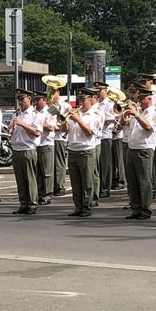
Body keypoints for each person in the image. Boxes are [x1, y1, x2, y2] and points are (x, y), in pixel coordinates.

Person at [121, 82, 156, 220]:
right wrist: (125, 113)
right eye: (138, 100)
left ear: (149, 99)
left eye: (141, 100)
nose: (139, 103)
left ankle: (145, 209)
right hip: (132, 148)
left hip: (144, 149)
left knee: (144, 181)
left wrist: (136, 114)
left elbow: (148, 127)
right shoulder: (138, 111)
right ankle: (136, 208)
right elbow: (123, 124)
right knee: (132, 181)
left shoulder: (155, 113)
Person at [64, 87, 102, 217]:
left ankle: (86, 207)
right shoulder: (76, 112)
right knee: (75, 181)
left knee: (87, 181)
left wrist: (78, 120)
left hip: (86, 150)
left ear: (91, 99)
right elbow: (64, 129)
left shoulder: (96, 115)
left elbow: (90, 132)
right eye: (79, 99)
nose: (81, 102)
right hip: (73, 149)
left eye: (84, 99)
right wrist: (64, 118)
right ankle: (78, 206)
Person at [8, 89, 39, 215]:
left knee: (30, 178)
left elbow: (37, 132)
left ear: (29, 99)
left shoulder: (34, 114)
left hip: (28, 149)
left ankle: (32, 203)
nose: (20, 102)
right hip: (16, 149)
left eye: (23, 99)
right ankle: (23, 203)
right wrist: (10, 128)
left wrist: (22, 124)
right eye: (19, 100)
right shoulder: (16, 114)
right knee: (20, 179)